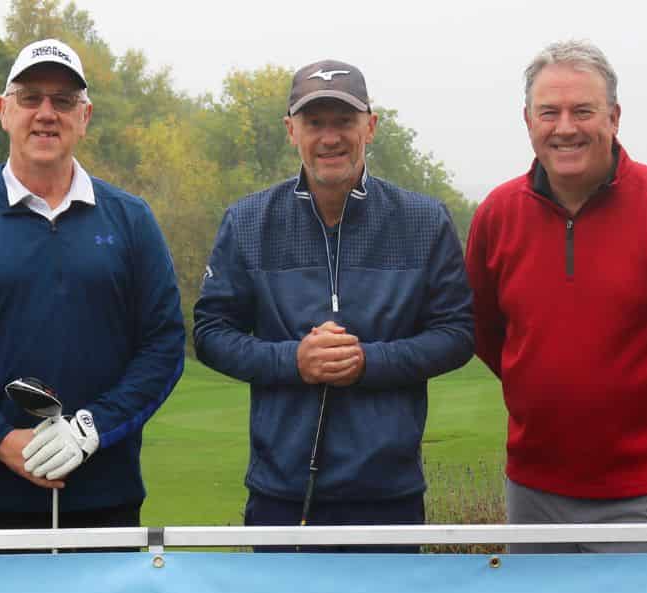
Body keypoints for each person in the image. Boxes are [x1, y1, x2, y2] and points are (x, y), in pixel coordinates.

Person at [465, 40, 647, 553]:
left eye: (583, 111)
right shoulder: (497, 215)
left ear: (614, 118)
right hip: (534, 493)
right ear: (528, 121)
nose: (565, 127)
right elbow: (485, 333)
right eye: (548, 112)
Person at [0, 38, 185, 534]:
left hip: (102, 499)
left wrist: (90, 430)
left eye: (64, 100)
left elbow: (163, 346)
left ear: (86, 115)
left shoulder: (131, 220)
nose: (46, 113)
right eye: (30, 97)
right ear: (3, 110)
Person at [193, 60, 474, 551]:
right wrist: (293, 360)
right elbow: (212, 334)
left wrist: (368, 361)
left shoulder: (425, 221)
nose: (330, 138)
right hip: (281, 492)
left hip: (389, 493)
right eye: (314, 123)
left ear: (370, 125)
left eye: (343, 121)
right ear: (290, 130)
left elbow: (456, 333)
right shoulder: (248, 221)